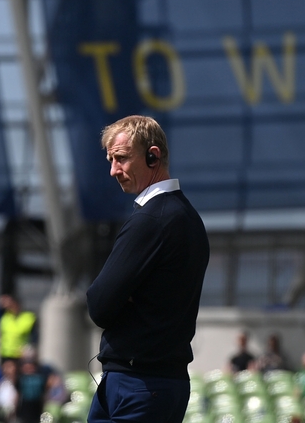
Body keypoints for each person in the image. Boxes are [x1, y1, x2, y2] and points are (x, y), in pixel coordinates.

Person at [85, 115, 209, 423]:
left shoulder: (154, 219)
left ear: (153, 156)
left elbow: (99, 304)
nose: (114, 170)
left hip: (140, 385)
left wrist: (124, 298)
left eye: (122, 159)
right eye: (111, 160)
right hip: (147, 382)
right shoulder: (185, 216)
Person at [0, 294, 38, 364]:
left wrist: (30, 348)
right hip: (6, 353)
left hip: (22, 354)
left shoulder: (28, 317)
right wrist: (0, 304)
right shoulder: (5, 317)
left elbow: (35, 335)